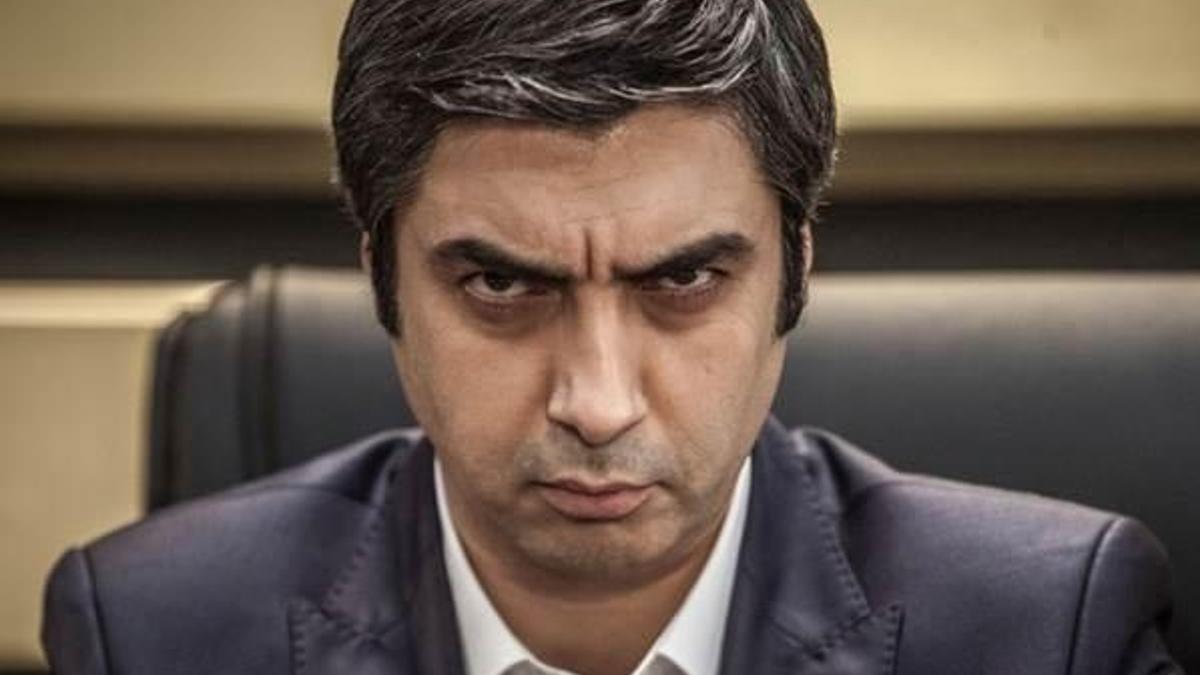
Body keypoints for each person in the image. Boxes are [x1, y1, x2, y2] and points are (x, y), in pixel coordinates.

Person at [42, 0, 1180, 673]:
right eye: (501, 283)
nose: (596, 403)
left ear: (795, 274)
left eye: (683, 279)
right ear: (381, 278)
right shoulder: (151, 632)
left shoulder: (1051, 632)